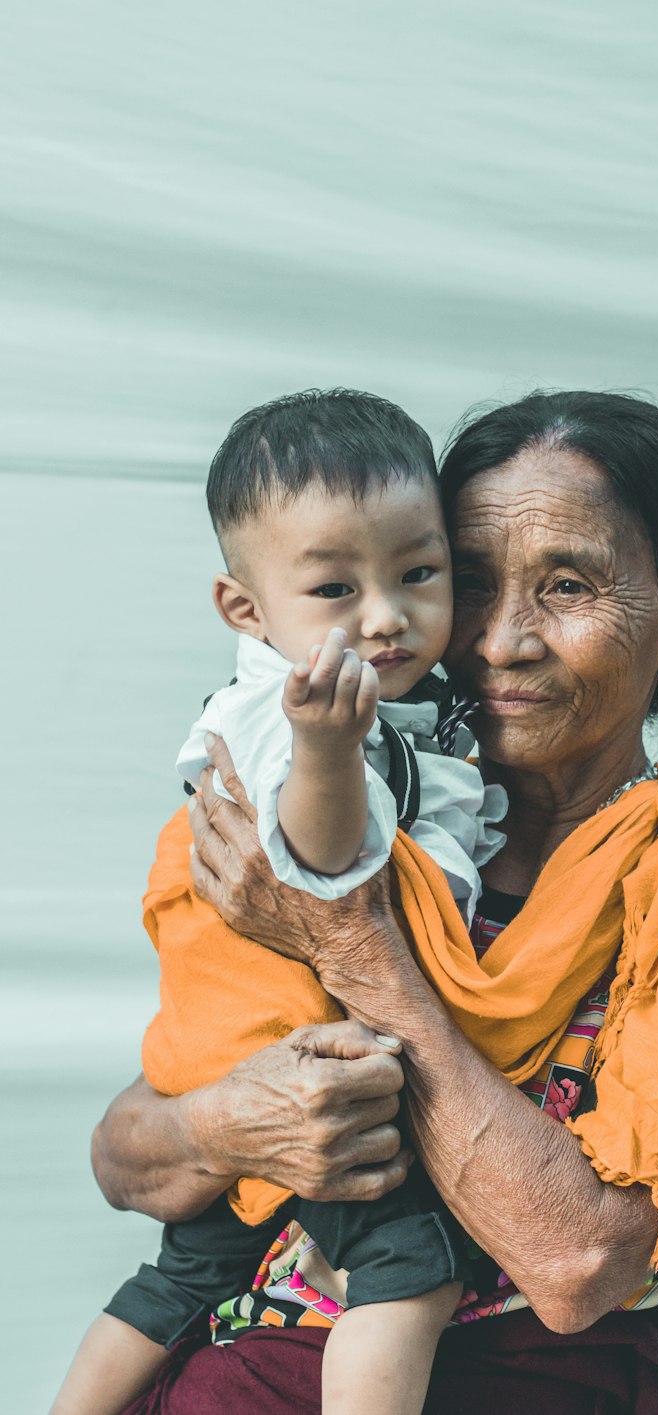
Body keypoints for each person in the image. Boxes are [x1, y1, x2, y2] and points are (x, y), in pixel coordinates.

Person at [82, 391, 658, 1414]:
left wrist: (355, 949)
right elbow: (131, 1147)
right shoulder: (367, 820)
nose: (499, 640)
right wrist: (229, 1125)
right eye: (471, 581)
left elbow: (581, 1264)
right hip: (238, 1373)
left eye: (566, 585)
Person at [52, 389, 507, 1415]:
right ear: (245, 610)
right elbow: (317, 863)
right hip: (290, 1053)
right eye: (336, 586)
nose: (386, 615)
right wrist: (327, 752)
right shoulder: (295, 718)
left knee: (187, 1273)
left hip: (221, 1046)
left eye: (420, 573)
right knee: (408, 1271)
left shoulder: (382, 707)